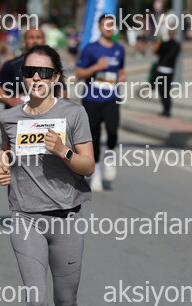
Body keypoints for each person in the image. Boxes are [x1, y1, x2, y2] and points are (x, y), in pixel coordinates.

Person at [0, 44, 95, 306]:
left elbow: (88, 165)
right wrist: (3, 165)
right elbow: (6, 151)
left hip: (66, 218)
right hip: (25, 218)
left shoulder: (73, 113)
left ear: (56, 77)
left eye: (44, 72)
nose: (36, 78)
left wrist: (63, 151)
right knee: (36, 301)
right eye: (29, 72)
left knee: (65, 303)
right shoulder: (9, 118)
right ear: (22, 77)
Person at [75, 14, 126, 192]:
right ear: (99, 27)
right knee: (94, 137)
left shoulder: (119, 49)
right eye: (106, 24)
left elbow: (121, 69)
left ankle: (109, 157)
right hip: (92, 99)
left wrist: (122, 76)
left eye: (112, 24)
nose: (109, 28)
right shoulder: (91, 49)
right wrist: (96, 67)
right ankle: (96, 170)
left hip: (111, 97)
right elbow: (79, 74)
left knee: (112, 129)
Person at [0, 28, 46, 109]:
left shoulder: (53, 65)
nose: (35, 41)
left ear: (44, 41)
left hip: (45, 114)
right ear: (24, 42)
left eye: (38, 37)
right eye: (31, 37)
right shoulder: (11, 64)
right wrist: (10, 100)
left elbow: (62, 90)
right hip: (16, 113)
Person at [152, 30, 180, 117]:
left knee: (163, 91)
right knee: (165, 91)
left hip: (163, 70)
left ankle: (166, 110)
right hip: (168, 71)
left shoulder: (166, 44)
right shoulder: (176, 45)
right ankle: (166, 109)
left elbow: (157, 53)